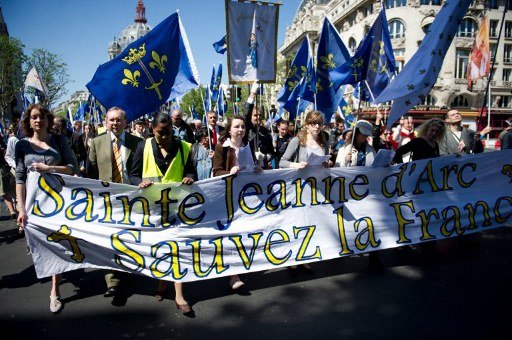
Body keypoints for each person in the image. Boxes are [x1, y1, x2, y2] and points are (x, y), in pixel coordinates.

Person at [129, 113, 195, 314]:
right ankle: (161, 283)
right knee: (159, 247)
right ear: (152, 129)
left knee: (177, 248)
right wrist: (138, 183)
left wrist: (189, 178)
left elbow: (192, 171)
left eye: (167, 132)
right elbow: (132, 174)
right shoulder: (143, 146)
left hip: (177, 207)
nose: (165, 136)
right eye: (160, 132)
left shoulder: (184, 147)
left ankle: (179, 295)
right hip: (152, 208)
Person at [15, 104, 78, 313]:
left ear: (48, 119)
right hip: (34, 206)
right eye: (34, 117)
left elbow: (72, 167)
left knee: (56, 244)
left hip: (57, 203)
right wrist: (21, 209)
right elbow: (20, 178)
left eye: (41, 117)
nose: (38, 120)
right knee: (41, 245)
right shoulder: (22, 146)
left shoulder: (58, 140)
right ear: (29, 121)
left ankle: (54, 291)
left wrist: (48, 168)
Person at [86, 107, 142, 304]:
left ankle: (126, 270)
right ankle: (112, 281)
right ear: (105, 122)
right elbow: (91, 172)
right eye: (111, 120)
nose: (115, 123)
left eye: (119, 120)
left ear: (125, 122)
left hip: (132, 199)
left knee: (128, 236)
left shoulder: (138, 143)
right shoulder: (96, 142)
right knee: (108, 238)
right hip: (106, 200)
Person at [212, 115, 262, 288]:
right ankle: (233, 275)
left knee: (246, 232)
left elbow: (252, 168)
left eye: (243, 127)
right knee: (232, 234)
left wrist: (258, 169)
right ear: (229, 129)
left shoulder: (248, 147)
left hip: (248, 198)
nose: (240, 130)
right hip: (228, 197)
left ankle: (243, 265)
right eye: (236, 127)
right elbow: (215, 172)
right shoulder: (222, 148)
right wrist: (228, 172)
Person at [279, 111, 331, 276]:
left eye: (320, 123)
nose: (317, 126)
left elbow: (327, 162)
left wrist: (328, 163)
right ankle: (293, 259)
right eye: (314, 123)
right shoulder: (297, 140)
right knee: (298, 223)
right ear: (307, 125)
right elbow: (282, 162)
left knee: (312, 223)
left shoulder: (324, 141)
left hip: (318, 189)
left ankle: (305, 259)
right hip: (300, 188)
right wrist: (297, 165)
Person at [245, 84, 275, 168]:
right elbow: (246, 113)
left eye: (260, 115)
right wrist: (252, 93)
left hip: (263, 168)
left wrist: (265, 157)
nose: (258, 117)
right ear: (251, 116)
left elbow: (272, 152)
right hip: (249, 167)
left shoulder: (265, 132)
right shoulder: (247, 129)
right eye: (255, 115)